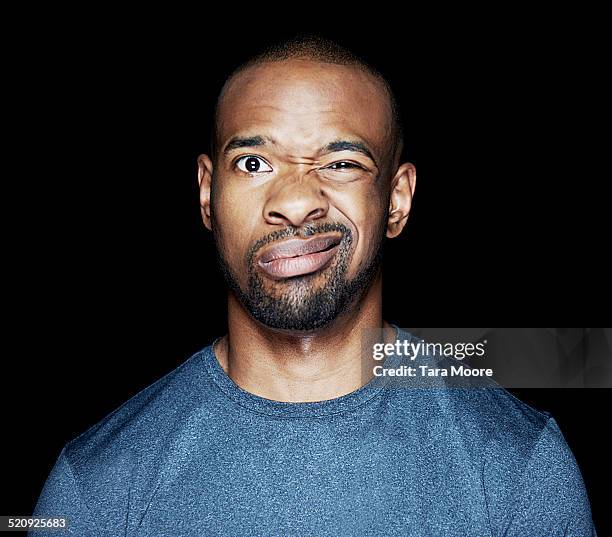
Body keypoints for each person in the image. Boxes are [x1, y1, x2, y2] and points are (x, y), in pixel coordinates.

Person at [31, 35, 597, 536]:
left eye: (342, 163)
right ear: (207, 194)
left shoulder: (520, 467)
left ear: (397, 200)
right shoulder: (95, 486)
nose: (297, 202)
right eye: (254, 163)